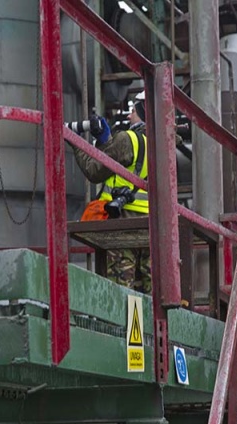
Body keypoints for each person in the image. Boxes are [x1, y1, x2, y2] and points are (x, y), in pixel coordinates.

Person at [70, 91, 152, 293]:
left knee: (122, 291)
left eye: (133, 110)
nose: (129, 116)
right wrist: (106, 142)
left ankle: (125, 326)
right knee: (152, 290)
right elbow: (132, 168)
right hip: (153, 226)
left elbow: (94, 171)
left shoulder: (127, 139)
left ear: (143, 111)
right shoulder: (165, 145)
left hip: (124, 220)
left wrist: (75, 141)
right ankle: (157, 326)